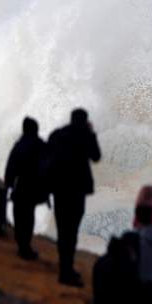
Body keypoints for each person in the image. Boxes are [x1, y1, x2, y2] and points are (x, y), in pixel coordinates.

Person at [45, 108, 101, 286]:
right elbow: (96, 156)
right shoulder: (85, 134)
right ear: (85, 121)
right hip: (77, 190)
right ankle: (66, 272)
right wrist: (91, 133)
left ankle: (65, 268)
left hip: (59, 189)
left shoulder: (57, 134)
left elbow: (46, 157)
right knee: (72, 230)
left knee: (63, 230)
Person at [3, 117, 47, 260]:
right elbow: (48, 167)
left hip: (21, 186)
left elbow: (11, 166)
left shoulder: (19, 144)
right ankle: (25, 246)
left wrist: (9, 184)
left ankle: (22, 245)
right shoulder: (40, 144)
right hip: (33, 187)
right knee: (28, 216)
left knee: (20, 215)